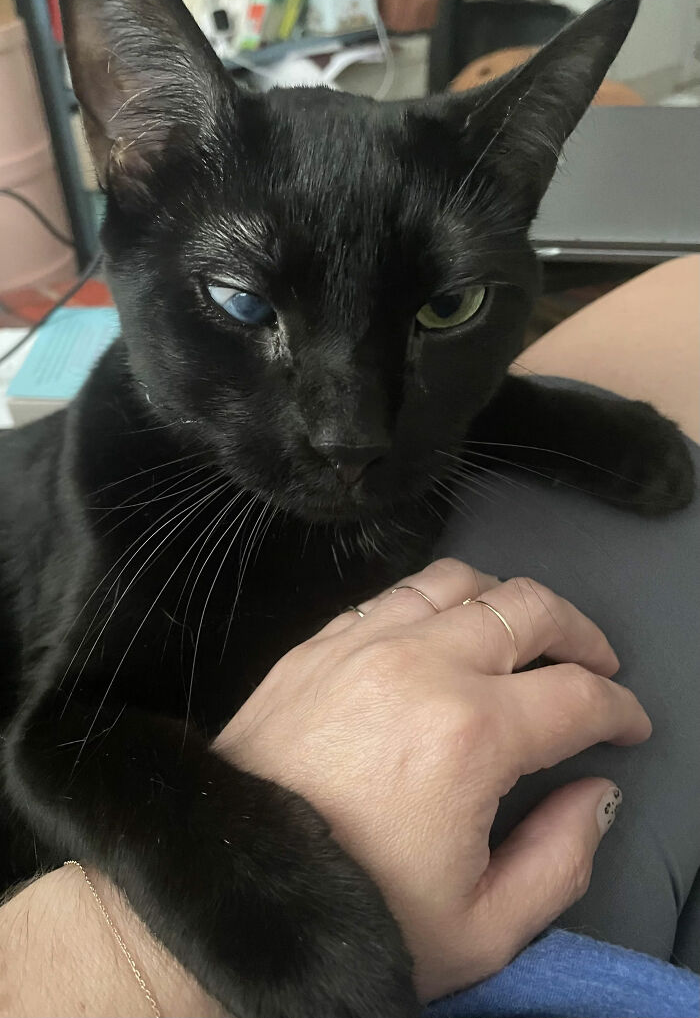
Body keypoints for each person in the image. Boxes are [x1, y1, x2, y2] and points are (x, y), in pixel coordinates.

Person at [0, 257, 698, 1018]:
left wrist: (517, 414)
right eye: (244, 303)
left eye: (447, 306)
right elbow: (64, 738)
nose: (350, 436)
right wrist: (202, 934)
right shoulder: (122, 485)